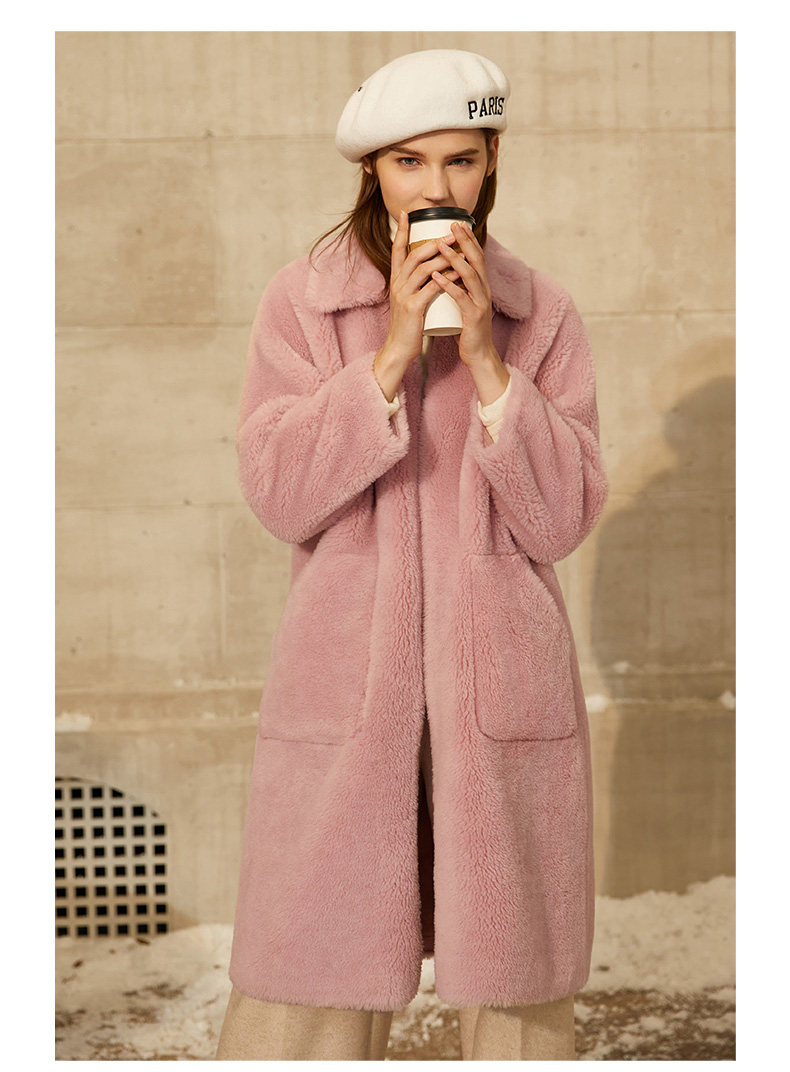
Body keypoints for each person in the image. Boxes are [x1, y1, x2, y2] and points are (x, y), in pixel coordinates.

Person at [216, 48, 608, 1060]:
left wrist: (486, 362)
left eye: (461, 160)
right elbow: (280, 495)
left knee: (517, 1002)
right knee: (307, 994)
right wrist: (391, 351)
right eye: (409, 161)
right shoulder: (305, 305)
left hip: (500, 692)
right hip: (350, 689)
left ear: (491, 163)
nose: (437, 186)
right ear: (372, 170)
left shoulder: (539, 314)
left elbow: (562, 520)